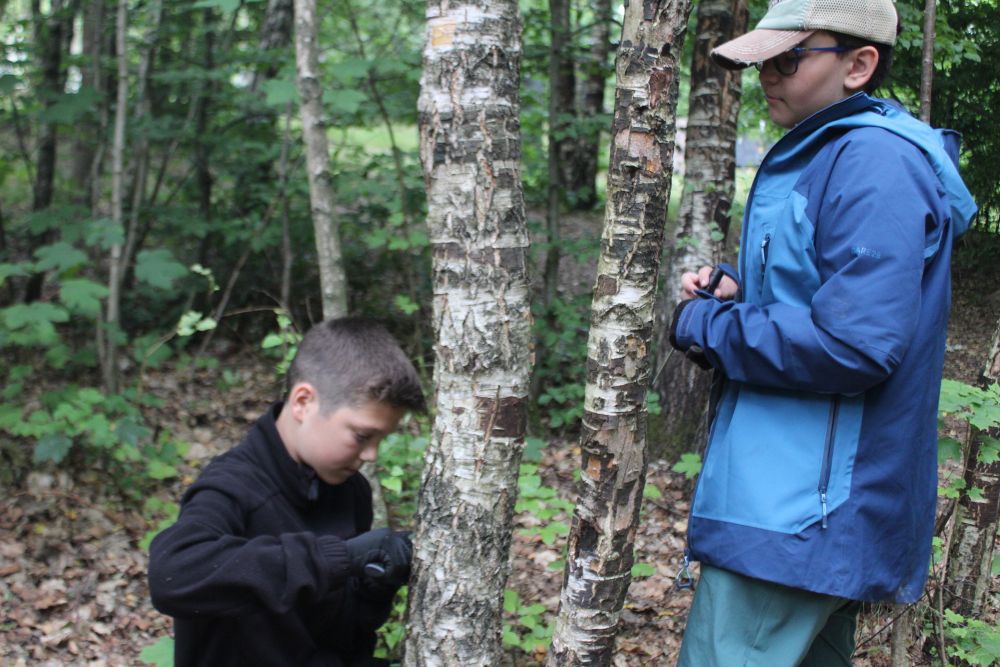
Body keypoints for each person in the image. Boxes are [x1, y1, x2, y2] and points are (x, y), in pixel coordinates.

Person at [667, 0, 978, 664]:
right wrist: (740, 292)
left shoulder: (873, 162)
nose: (767, 76)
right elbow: (831, 295)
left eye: (787, 59)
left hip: (801, 511)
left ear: (858, 65)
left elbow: (853, 343)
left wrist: (708, 324)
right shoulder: (833, 151)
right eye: (762, 62)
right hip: (797, 504)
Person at [148, 317, 426, 667]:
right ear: (303, 402)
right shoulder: (231, 486)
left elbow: (341, 639)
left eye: (381, 439)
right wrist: (335, 558)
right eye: (361, 436)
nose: (371, 455)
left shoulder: (350, 491)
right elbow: (171, 574)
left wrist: (373, 587)